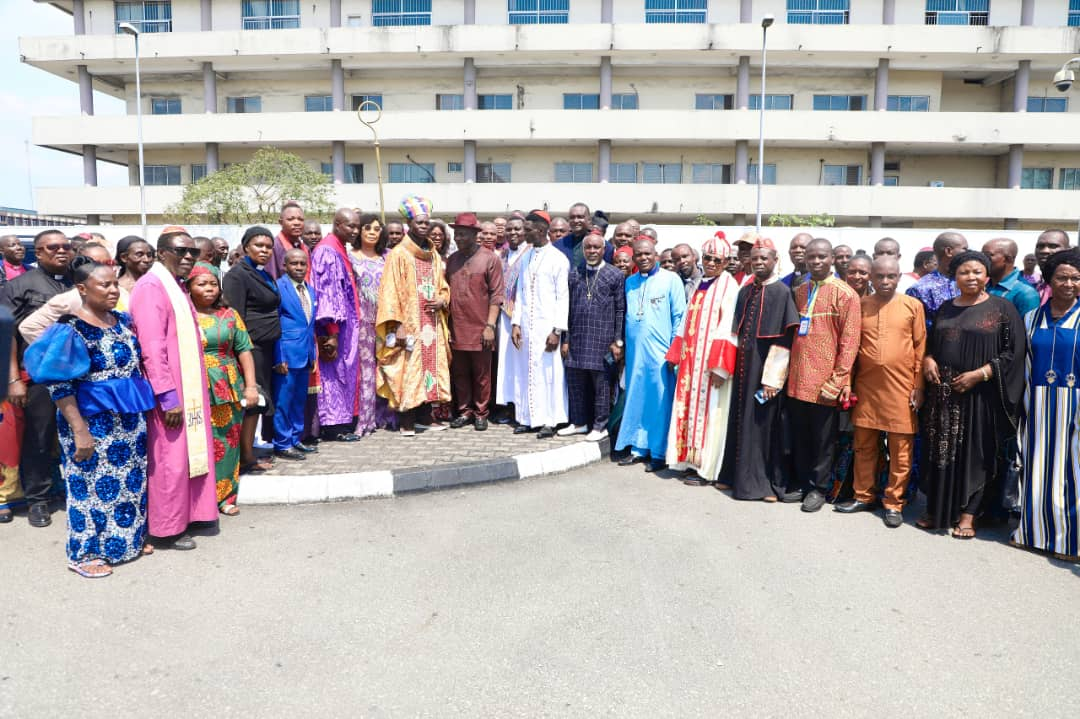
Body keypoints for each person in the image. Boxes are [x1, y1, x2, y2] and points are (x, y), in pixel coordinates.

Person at [26, 258, 156, 577]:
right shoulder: (70, 328)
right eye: (105, 285)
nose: (114, 290)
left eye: (115, 284)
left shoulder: (122, 321)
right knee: (89, 487)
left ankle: (125, 541)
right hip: (90, 421)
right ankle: (84, 553)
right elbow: (59, 385)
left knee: (129, 481)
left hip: (128, 419)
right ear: (82, 289)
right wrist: (79, 430)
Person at [918, 250, 1025, 539]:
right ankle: (937, 511)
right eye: (964, 272)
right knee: (942, 453)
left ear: (987, 276)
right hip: (945, 395)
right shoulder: (945, 308)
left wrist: (981, 374)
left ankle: (967, 516)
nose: (971, 277)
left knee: (976, 454)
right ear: (955, 276)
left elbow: (1013, 353)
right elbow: (932, 343)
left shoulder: (1003, 309)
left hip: (982, 396)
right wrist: (928, 359)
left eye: (977, 271)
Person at [129, 226, 216, 550]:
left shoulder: (175, 286)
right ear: (161, 252)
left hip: (187, 384)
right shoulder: (152, 287)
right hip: (168, 391)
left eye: (193, 252)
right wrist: (168, 397)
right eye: (181, 251)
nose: (189, 257)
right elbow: (152, 347)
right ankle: (166, 529)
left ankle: (191, 514)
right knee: (169, 459)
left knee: (186, 455)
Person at [834, 257, 926, 528]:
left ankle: (894, 503)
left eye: (891, 276)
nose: (885, 282)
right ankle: (863, 496)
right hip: (866, 388)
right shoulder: (859, 305)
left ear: (899, 277)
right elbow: (849, 347)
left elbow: (920, 348)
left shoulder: (912, 305)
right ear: (870, 278)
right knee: (864, 446)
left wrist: (919, 387)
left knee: (900, 449)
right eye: (880, 277)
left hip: (901, 389)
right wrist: (847, 383)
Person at [0, 229, 75, 527]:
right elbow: (8, 333)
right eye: (52, 247)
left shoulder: (76, 281)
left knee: (71, 435)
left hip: (77, 374)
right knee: (40, 436)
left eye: (65, 246)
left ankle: (67, 488)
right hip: (38, 375)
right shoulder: (20, 285)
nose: (60, 251)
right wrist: (13, 378)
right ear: (39, 253)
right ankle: (38, 499)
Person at [718, 238, 799, 501]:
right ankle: (733, 476)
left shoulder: (782, 293)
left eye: (764, 258)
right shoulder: (745, 291)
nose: (759, 263)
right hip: (743, 368)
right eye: (755, 259)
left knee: (764, 428)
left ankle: (763, 486)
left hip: (766, 373)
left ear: (775, 260)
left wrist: (772, 380)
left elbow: (784, 341)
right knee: (740, 421)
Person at [784, 238, 862, 512]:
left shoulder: (846, 294)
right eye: (811, 257)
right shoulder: (800, 290)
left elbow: (850, 340)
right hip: (796, 379)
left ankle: (819, 487)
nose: (816, 261)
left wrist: (839, 378)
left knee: (823, 439)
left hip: (825, 381)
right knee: (801, 435)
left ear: (832, 259)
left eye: (821, 257)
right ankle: (804, 483)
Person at [1013, 249, 1080, 560]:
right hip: (1037, 404)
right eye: (1062, 277)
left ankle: (1070, 543)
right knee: (1036, 468)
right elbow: (1023, 363)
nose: (1069, 283)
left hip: (1075, 405)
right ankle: (1032, 533)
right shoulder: (1031, 318)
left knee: (1073, 473)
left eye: (1076, 278)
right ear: (1049, 280)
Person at [664, 234, 740, 485]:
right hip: (690, 363)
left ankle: (705, 468)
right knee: (687, 409)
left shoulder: (728, 284)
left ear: (726, 261)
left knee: (711, 414)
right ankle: (687, 461)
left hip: (710, 366)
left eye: (717, 259)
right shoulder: (701, 283)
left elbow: (729, 325)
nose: (711, 262)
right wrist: (675, 354)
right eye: (707, 257)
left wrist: (721, 367)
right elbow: (686, 320)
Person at [376, 196, 452, 435]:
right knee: (408, 368)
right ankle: (406, 419)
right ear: (409, 222)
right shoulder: (399, 254)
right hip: (408, 323)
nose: (424, 226)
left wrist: (443, 299)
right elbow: (390, 291)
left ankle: (425, 417)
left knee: (430, 368)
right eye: (419, 222)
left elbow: (442, 285)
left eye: (426, 222)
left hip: (431, 323)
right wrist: (396, 325)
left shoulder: (434, 254)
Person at [187, 263, 259, 513]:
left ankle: (226, 497)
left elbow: (245, 351)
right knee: (197, 443)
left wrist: (251, 386)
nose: (209, 289)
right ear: (189, 286)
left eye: (213, 284)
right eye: (201, 283)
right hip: (193, 385)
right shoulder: (183, 315)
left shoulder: (229, 315)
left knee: (227, 441)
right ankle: (199, 500)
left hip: (227, 385)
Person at [616, 238, 687, 472]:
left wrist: (674, 351)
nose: (643, 258)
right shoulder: (630, 283)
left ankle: (658, 452)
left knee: (659, 401)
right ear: (634, 258)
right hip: (637, 354)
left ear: (655, 254)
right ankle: (638, 448)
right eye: (639, 255)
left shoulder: (671, 280)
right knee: (638, 398)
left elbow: (680, 317)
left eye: (647, 253)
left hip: (661, 355)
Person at [559, 230, 625, 441]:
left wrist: (618, 341)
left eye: (596, 247)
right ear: (583, 250)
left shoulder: (615, 275)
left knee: (602, 386)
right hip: (577, 338)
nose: (592, 251)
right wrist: (566, 339)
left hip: (604, 340)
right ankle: (579, 423)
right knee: (576, 383)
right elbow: (567, 309)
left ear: (604, 249)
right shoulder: (574, 273)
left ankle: (600, 426)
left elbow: (620, 310)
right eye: (588, 247)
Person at [223, 226, 281, 464]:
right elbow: (236, 316)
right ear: (246, 247)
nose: (265, 251)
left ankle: (250, 449)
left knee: (261, 402)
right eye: (259, 246)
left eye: (268, 247)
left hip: (266, 349)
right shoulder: (238, 275)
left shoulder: (264, 273)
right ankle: (245, 456)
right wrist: (241, 351)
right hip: (250, 348)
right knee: (252, 401)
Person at [510, 210, 570, 439]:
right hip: (527, 326)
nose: (524, 233)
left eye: (528, 229)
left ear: (542, 229)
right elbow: (521, 294)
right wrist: (516, 323)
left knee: (549, 374)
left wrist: (557, 331)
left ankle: (549, 420)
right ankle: (527, 418)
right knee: (526, 371)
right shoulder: (525, 257)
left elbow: (563, 297)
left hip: (547, 328)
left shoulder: (558, 259)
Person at [445, 213, 504, 431]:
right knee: (459, 372)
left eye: (462, 234)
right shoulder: (452, 260)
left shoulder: (490, 258)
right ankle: (464, 411)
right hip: (457, 327)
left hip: (481, 328)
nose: (458, 238)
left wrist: (490, 326)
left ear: (474, 234)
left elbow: (497, 295)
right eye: (456, 234)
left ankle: (481, 412)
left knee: (482, 374)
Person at [311, 208, 363, 442]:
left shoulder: (340, 249)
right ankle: (334, 426)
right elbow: (327, 292)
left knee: (345, 374)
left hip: (347, 326)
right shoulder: (327, 251)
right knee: (334, 373)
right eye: (350, 226)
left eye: (356, 226)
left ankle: (344, 421)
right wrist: (331, 331)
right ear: (337, 224)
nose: (355, 231)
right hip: (334, 327)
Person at [19, 243, 131, 343]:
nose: (103, 268)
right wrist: (64, 352)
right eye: (96, 263)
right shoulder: (68, 299)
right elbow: (29, 327)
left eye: (108, 262)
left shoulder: (121, 291)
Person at [346, 213, 395, 436]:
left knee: (387, 367)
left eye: (377, 228)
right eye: (368, 228)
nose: (373, 232)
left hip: (386, 322)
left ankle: (387, 416)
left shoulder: (388, 257)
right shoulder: (350, 257)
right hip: (362, 322)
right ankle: (365, 420)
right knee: (365, 371)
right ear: (360, 231)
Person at [272, 249, 319, 458]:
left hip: (305, 355)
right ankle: (282, 444)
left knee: (299, 400)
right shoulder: (278, 288)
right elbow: (275, 325)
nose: (299, 268)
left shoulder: (310, 290)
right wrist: (278, 356)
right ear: (285, 266)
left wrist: (313, 353)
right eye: (294, 264)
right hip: (286, 356)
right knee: (284, 401)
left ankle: (295, 438)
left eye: (302, 264)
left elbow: (309, 325)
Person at [494, 215, 529, 424]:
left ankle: (522, 407)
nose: (513, 233)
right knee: (506, 365)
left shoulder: (531, 252)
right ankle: (509, 406)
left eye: (518, 229)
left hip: (524, 317)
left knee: (522, 362)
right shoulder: (503, 254)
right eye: (510, 229)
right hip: (504, 316)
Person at [907, 231, 968, 328]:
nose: (967, 253)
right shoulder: (920, 289)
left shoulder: (969, 283)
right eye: (964, 249)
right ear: (948, 251)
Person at [983, 238, 1040, 318]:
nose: (982, 260)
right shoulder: (984, 286)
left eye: (988, 255)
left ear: (1008, 259)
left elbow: (1027, 329)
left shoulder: (1026, 293)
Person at [553, 202, 612, 268]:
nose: (575, 220)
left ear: (589, 220)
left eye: (580, 217)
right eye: (572, 217)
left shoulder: (603, 246)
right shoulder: (558, 246)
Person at [269, 201, 307, 279]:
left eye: (300, 219)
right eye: (290, 219)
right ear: (281, 222)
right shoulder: (273, 247)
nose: (297, 223)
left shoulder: (304, 247)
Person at [1034, 229, 1071, 303]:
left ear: (1068, 250)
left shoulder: (1074, 287)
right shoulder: (1036, 286)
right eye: (1040, 246)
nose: (1045, 251)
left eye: (1053, 246)